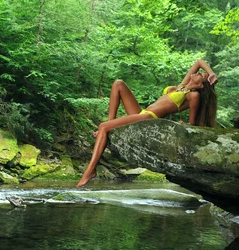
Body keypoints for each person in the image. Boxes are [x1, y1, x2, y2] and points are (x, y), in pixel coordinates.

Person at [76, 58, 218, 188]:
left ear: (201, 85)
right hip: (142, 113)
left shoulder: (194, 95)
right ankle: (111, 122)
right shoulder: (182, 86)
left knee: (103, 127)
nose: (198, 72)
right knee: (118, 84)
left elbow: (192, 122)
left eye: (201, 75)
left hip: (150, 118)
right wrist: (210, 73)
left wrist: (184, 124)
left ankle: (90, 170)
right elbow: (199, 62)